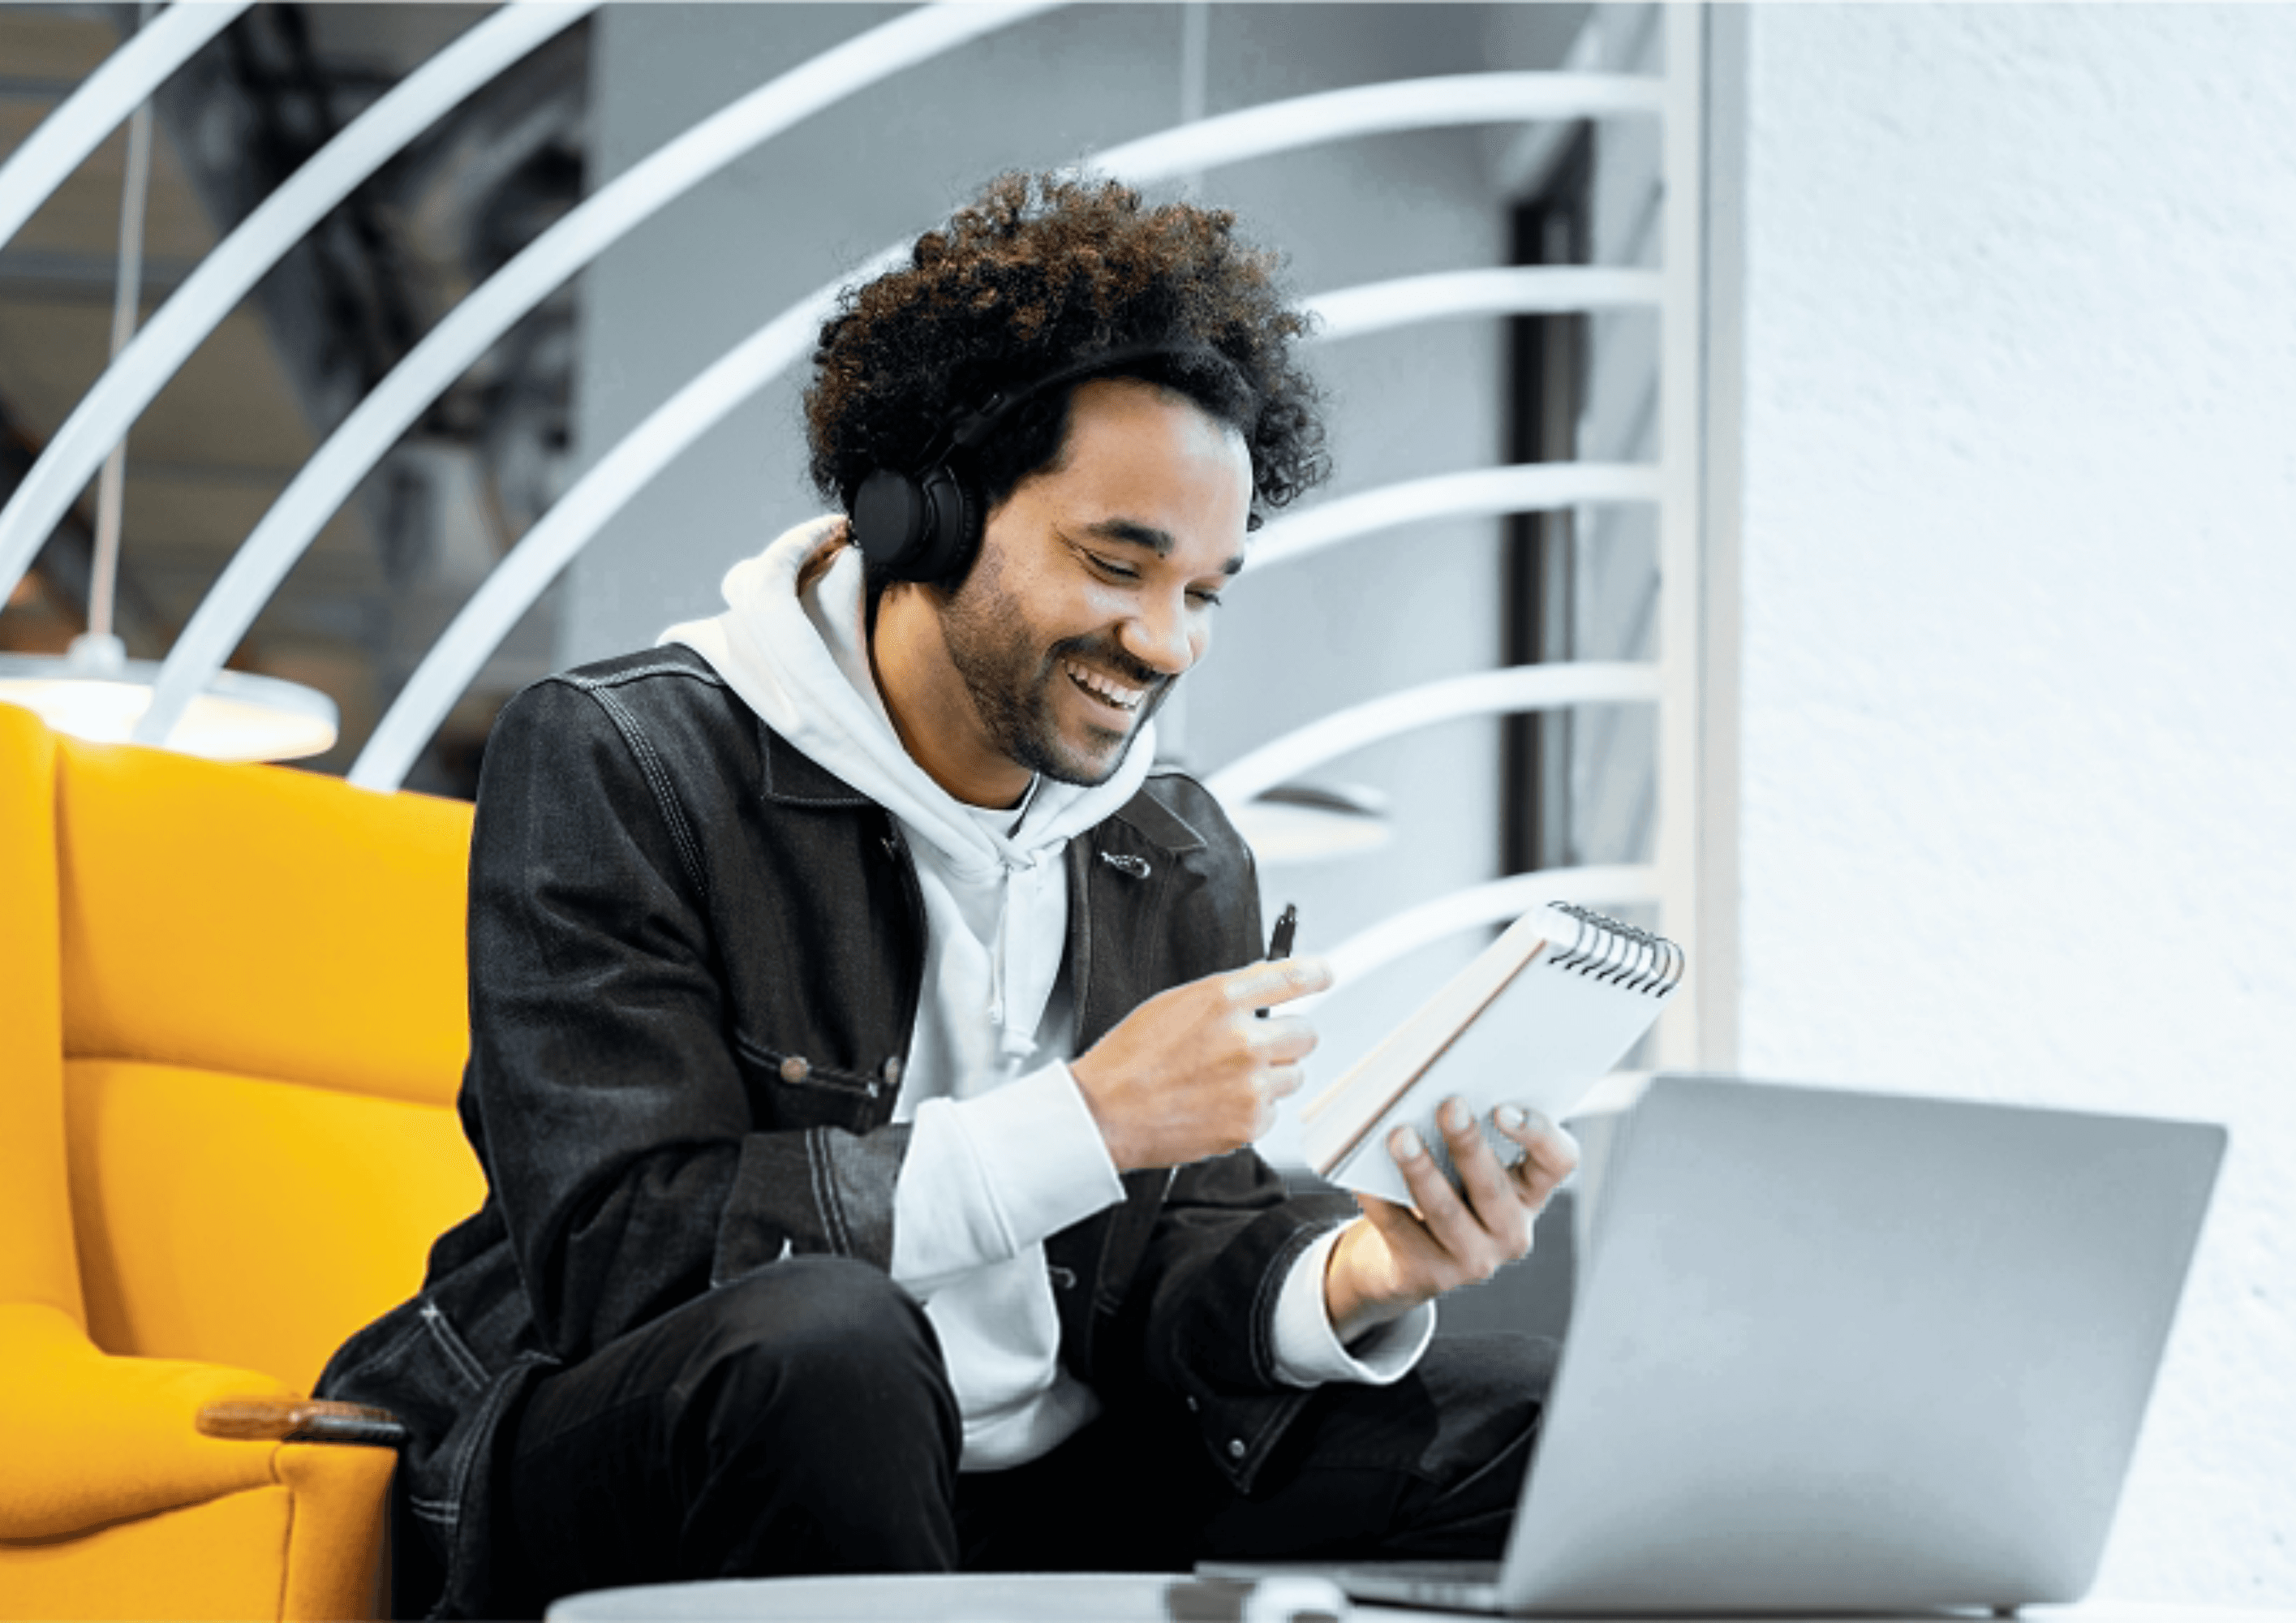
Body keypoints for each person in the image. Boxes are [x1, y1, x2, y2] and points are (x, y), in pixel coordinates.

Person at [318, 171, 1578, 1620]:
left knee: (1534, 1421)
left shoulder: (1172, 844)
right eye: (1119, 563)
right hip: (672, 1445)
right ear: (917, 513)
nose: (1166, 643)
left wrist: (1360, 1275)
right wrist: (1090, 1120)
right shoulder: (625, 758)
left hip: (1039, 1476)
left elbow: (1169, 1265)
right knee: (830, 1349)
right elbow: (626, 1258)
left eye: (1209, 591)